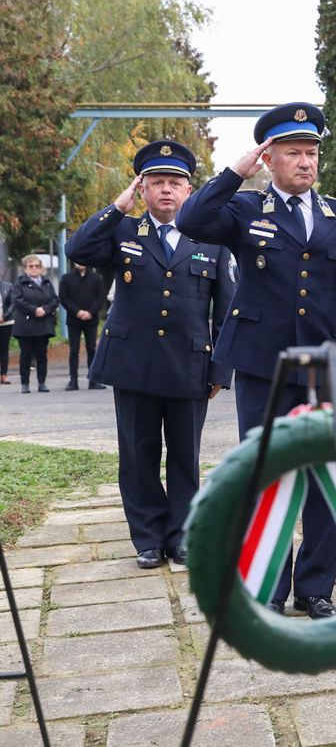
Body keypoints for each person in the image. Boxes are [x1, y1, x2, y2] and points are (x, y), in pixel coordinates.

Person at [177, 104, 336, 619]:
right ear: (271, 158)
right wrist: (234, 172)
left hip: (327, 364)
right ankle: (269, 583)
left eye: (312, 153)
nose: (306, 162)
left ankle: (316, 588)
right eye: (294, 153)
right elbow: (191, 219)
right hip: (265, 365)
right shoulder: (245, 209)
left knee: (324, 474)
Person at [67, 139, 235, 569]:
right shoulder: (123, 231)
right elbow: (79, 250)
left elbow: (227, 309)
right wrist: (117, 207)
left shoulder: (210, 239)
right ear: (141, 189)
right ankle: (147, 538)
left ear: (188, 190)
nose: (166, 190)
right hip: (133, 364)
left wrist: (221, 369)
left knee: (185, 457)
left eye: (174, 183)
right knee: (138, 456)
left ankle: (181, 536)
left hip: (189, 366)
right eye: (156, 182)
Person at [11, 256, 58, 393]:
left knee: (41, 355)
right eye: (30, 266)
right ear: (25, 268)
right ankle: (24, 383)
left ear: (41, 268)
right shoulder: (19, 283)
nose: (34, 268)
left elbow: (54, 300)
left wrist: (45, 309)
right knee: (25, 355)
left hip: (43, 323)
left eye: (37, 266)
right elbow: (17, 300)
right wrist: (34, 310)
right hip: (26, 325)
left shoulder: (47, 282)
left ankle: (41, 383)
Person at [58, 262, 107, 391]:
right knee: (74, 350)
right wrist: (77, 311)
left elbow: (100, 297)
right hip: (74, 319)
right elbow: (64, 298)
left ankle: (93, 380)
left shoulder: (96, 278)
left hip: (91, 319)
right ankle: (73, 380)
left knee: (92, 349)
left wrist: (91, 312)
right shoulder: (66, 278)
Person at [0, 276, 13, 385]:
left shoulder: (8, 286)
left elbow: (13, 303)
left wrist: (5, 316)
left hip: (5, 322)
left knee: (4, 349)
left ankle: (4, 374)